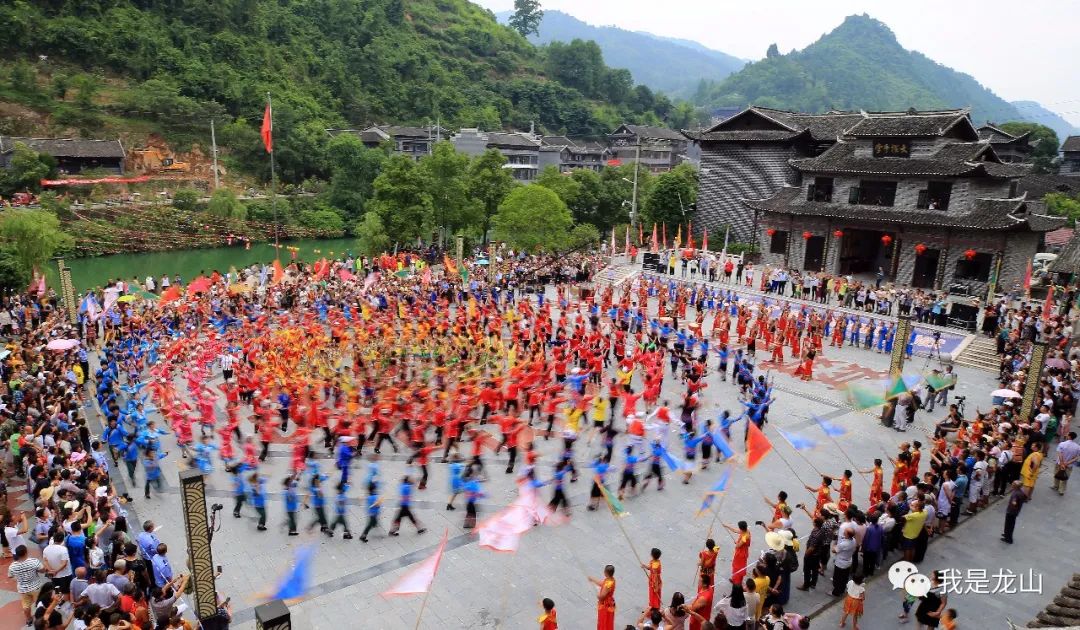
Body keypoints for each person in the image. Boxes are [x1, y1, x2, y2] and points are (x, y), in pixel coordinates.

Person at [8, 544, 46, 626]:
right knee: (39, 603)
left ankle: (29, 620)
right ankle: (40, 619)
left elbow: (10, 576)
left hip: (23, 589)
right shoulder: (34, 561)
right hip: (36, 587)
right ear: (26, 552)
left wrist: (18, 579)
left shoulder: (12, 566)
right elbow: (43, 570)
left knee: (26, 605)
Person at [589, 564, 617, 630]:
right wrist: (593, 580)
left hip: (605, 605)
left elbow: (602, 596)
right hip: (610, 603)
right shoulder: (611, 580)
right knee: (608, 620)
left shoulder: (608, 584)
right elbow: (602, 584)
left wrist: (598, 596)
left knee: (604, 620)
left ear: (606, 573)